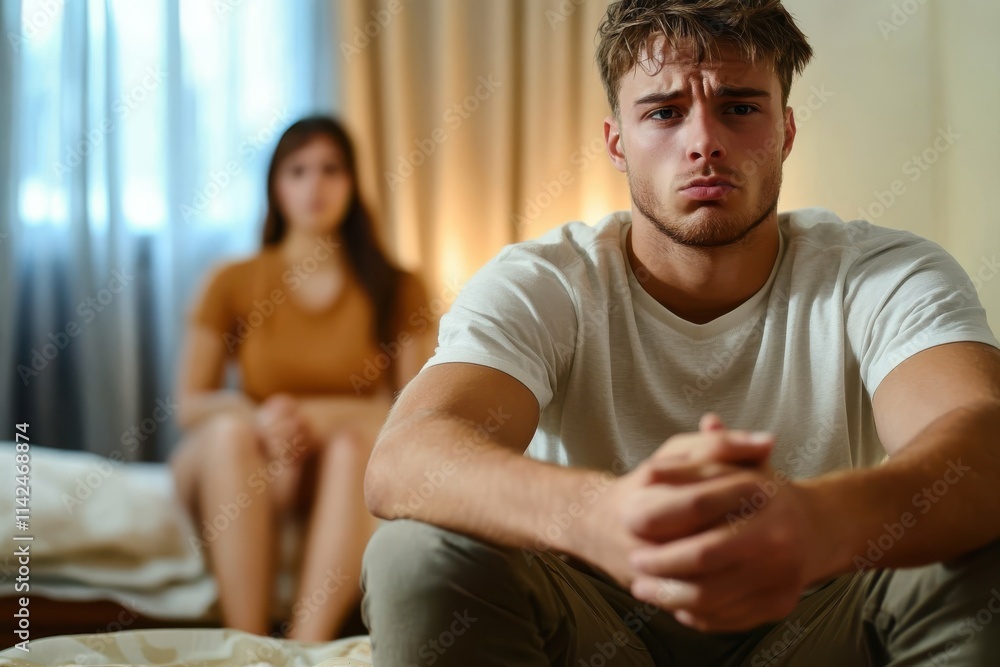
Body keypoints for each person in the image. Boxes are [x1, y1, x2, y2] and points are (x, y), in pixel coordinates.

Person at [359, 1, 1000, 665]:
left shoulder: (882, 271)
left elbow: (985, 440)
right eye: (665, 113)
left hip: (819, 622)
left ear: (785, 131)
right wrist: (600, 516)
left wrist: (819, 523)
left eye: (740, 107)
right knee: (413, 551)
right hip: (599, 629)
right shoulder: (545, 279)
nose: (704, 143)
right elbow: (406, 455)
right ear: (617, 142)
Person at [170, 116, 433, 641]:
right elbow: (190, 404)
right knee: (228, 434)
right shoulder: (232, 280)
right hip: (248, 457)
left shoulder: (396, 286)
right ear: (276, 186)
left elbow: (414, 411)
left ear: (352, 183)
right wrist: (258, 418)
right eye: (298, 171)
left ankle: (302, 648)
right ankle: (247, 644)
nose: (315, 185)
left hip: (333, 464)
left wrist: (311, 416)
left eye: (331, 169)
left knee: (354, 446)